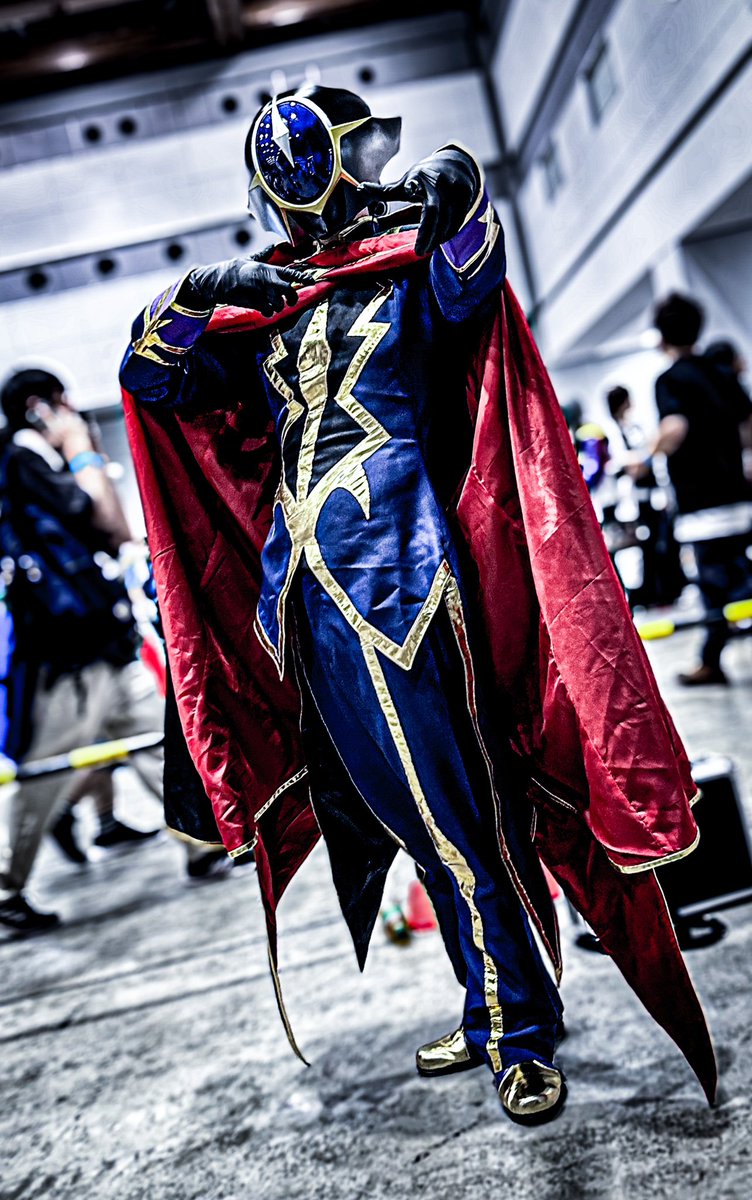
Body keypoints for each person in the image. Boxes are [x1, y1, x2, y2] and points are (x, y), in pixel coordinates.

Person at [120, 85, 716, 1121]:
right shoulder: (262, 311)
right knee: (414, 821)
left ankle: (520, 1032)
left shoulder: (403, 271)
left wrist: (462, 186)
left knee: (458, 818)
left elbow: (470, 279)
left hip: (403, 578)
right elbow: (151, 375)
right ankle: (491, 1009)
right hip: (305, 599)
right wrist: (196, 290)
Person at [0, 369, 164, 932]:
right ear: (39, 408)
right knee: (47, 771)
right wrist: (83, 453)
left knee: (158, 739)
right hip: (68, 654)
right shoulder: (22, 460)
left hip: (104, 642)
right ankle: (5, 887)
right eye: (63, 405)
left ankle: (204, 842)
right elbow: (107, 522)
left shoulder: (34, 463)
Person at [636, 296, 752, 684]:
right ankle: (711, 660)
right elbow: (748, 428)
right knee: (734, 575)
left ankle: (710, 663)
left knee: (716, 588)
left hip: (702, 503)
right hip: (738, 495)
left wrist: (645, 457)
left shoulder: (670, 380)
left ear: (661, 335)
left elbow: (675, 428)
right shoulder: (720, 372)